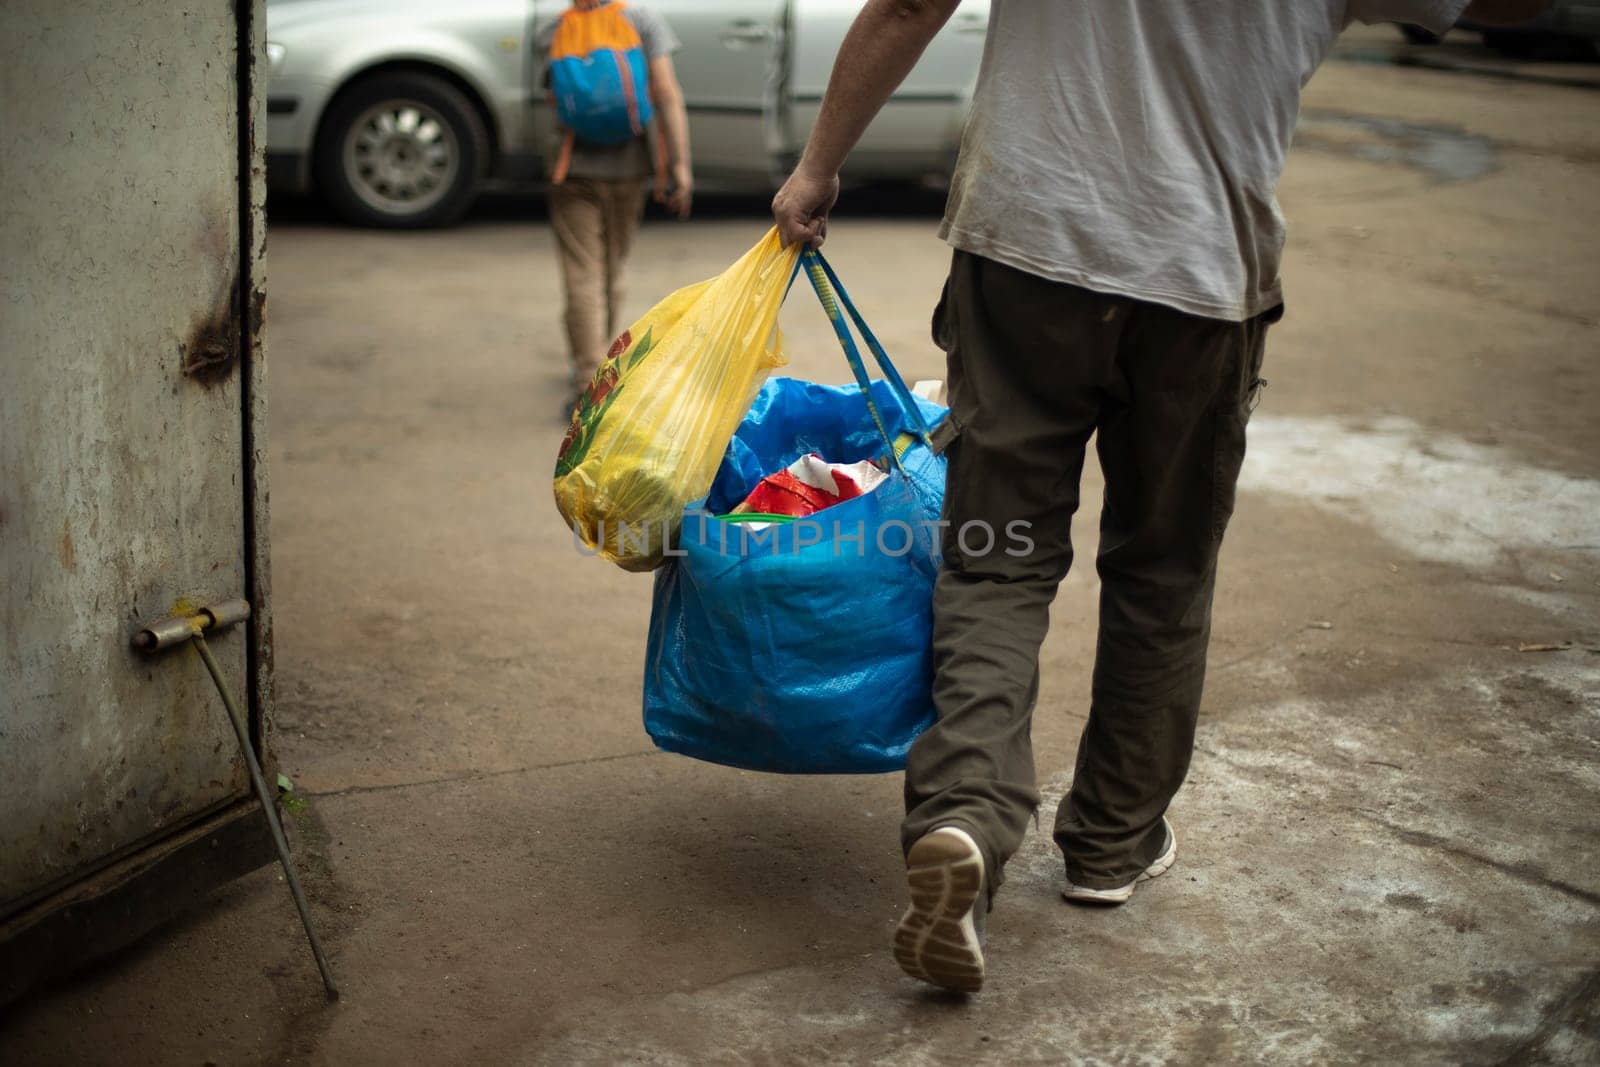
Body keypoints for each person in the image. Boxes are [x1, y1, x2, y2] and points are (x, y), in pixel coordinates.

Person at [771, 0, 1546, 994]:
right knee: (1162, 570)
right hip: (1202, 278)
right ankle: (1109, 842)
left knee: (996, 559)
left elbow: (913, 3)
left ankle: (963, 814)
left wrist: (819, 164)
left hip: (1026, 253)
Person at [537, 0, 693, 411]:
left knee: (581, 272)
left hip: (573, 168)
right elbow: (666, 93)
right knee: (612, 265)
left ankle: (587, 381)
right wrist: (679, 164)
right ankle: (599, 368)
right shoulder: (641, 20)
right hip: (631, 165)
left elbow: (555, 103)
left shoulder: (553, 30)